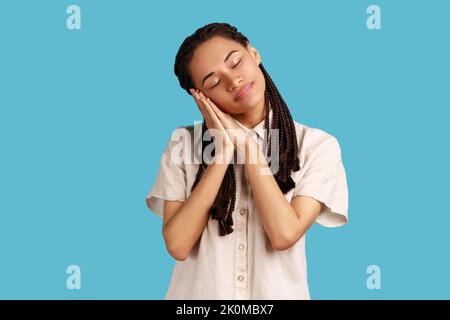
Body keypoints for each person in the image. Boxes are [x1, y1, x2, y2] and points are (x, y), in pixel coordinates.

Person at [145, 22, 349, 299]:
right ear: (202, 97)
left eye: (236, 62)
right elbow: (178, 245)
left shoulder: (317, 146)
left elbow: (284, 234)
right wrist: (222, 154)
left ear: (253, 53)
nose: (233, 80)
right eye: (214, 82)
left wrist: (247, 147)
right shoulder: (183, 144)